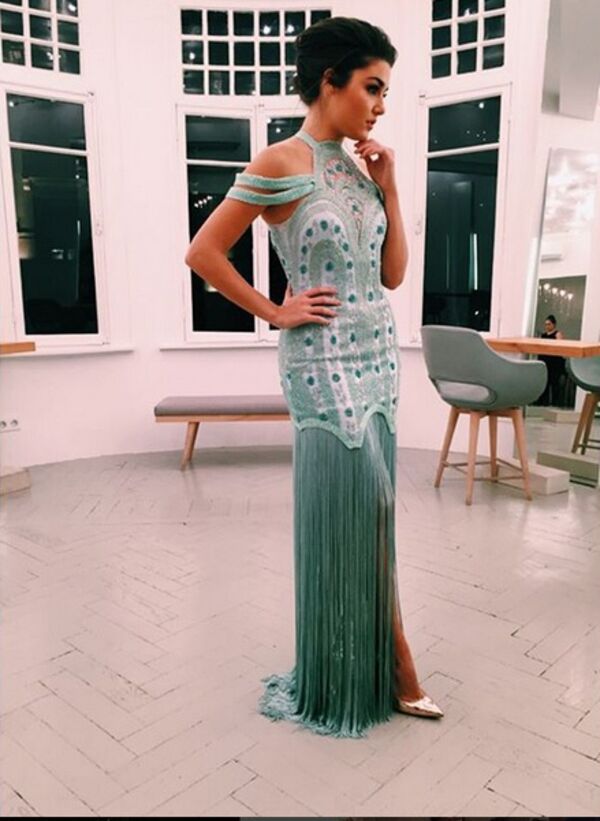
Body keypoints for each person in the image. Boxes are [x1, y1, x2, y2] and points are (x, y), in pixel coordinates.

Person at [185, 16, 443, 737]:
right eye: (372, 87)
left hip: (378, 361)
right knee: (367, 505)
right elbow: (204, 253)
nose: (381, 105)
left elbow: (393, 276)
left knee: (378, 513)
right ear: (331, 82)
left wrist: (390, 188)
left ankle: (375, 662)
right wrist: (275, 310)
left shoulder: (360, 169)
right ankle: (392, 664)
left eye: (385, 91)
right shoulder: (281, 162)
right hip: (322, 365)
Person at [537, 314, 566, 407]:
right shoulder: (543, 335)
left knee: (554, 383)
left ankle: (555, 402)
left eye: (549, 324)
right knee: (545, 382)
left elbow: (560, 347)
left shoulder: (557, 334)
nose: (547, 326)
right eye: (546, 324)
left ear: (553, 324)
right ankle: (543, 402)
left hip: (554, 362)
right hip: (545, 361)